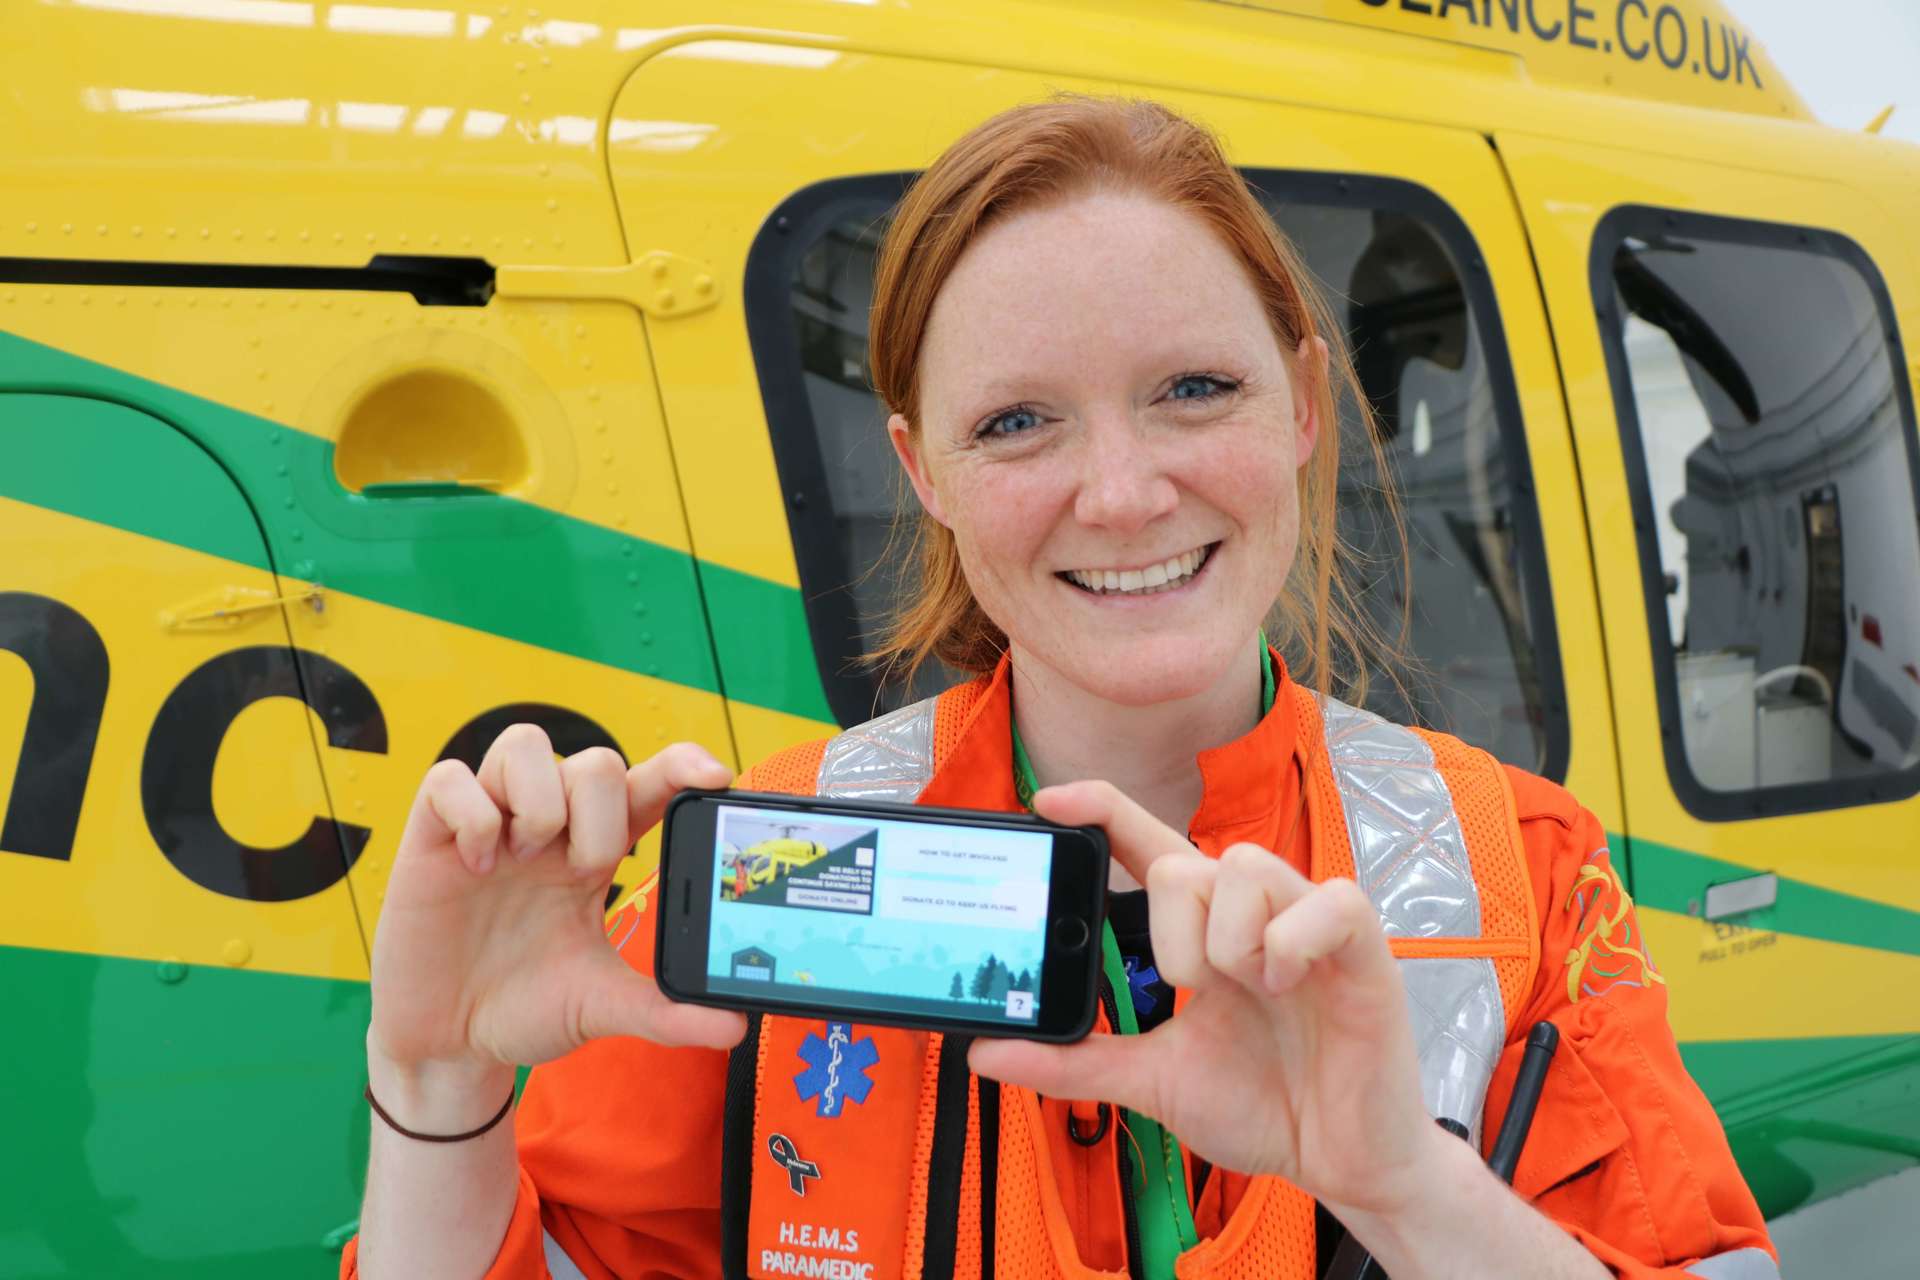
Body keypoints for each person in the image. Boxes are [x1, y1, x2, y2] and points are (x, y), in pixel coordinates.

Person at [345, 97, 1777, 1280]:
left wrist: (1407, 1190)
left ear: (1302, 405)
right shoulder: (775, 878)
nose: (1122, 493)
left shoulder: (1522, 873)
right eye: (1019, 421)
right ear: (924, 472)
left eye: (1195, 389)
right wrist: (434, 1088)